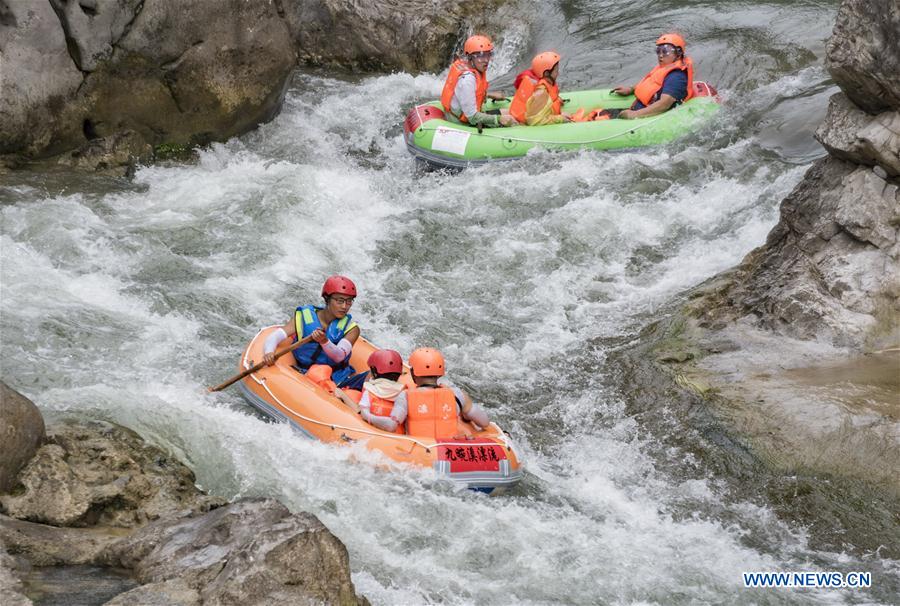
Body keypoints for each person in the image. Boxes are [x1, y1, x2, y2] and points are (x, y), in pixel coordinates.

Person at [262, 275, 367, 389]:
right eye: (339, 300)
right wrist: (269, 352)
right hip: (303, 370)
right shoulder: (304, 317)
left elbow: (339, 356)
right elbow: (275, 337)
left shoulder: (352, 329)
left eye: (349, 301)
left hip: (337, 377)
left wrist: (324, 341)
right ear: (327, 299)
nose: (344, 306)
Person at [397, 348, 490, 439]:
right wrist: (465, 417)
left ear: (413, 373)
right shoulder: (457, 395)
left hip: (419, 448)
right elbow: (484, 422)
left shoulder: (405, 395)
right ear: (440, 372)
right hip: (449, 447)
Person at [611, 33, 694, 120]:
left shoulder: (676, 77)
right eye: (658, 51)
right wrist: (630, 89)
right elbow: (650, 83)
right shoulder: (663, 67)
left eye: (666, 51)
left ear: (678, 53)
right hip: (639, 107)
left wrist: (634, 114)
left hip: (645, 117)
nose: (660, 55)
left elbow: (664, 104)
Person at [441, 34, 516, 128]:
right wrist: (498, 119)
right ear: (470, 57)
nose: (486, 60)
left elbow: (470, 93)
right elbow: (472, 118)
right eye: (480, 56)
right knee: (512, 121)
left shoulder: (471, 68)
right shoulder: (467, 80)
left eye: (488, 54)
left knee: (513, 113)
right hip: (463, 122)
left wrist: (488, 94)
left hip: (465, 114)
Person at [335, 349, 407, 433]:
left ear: (374, 372)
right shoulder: (404, 393)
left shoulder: (370, 391)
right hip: (398, 437)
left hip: (372, 431)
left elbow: (360, 411)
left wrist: (342, 395)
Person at [509, 51, 573, 125]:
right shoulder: (541, 93)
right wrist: (560, 118)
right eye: (556, 71)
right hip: (525, 127)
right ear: (546, 73)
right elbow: (535, 121)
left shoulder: (545, 86)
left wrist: (557, 102)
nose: (558, 73)